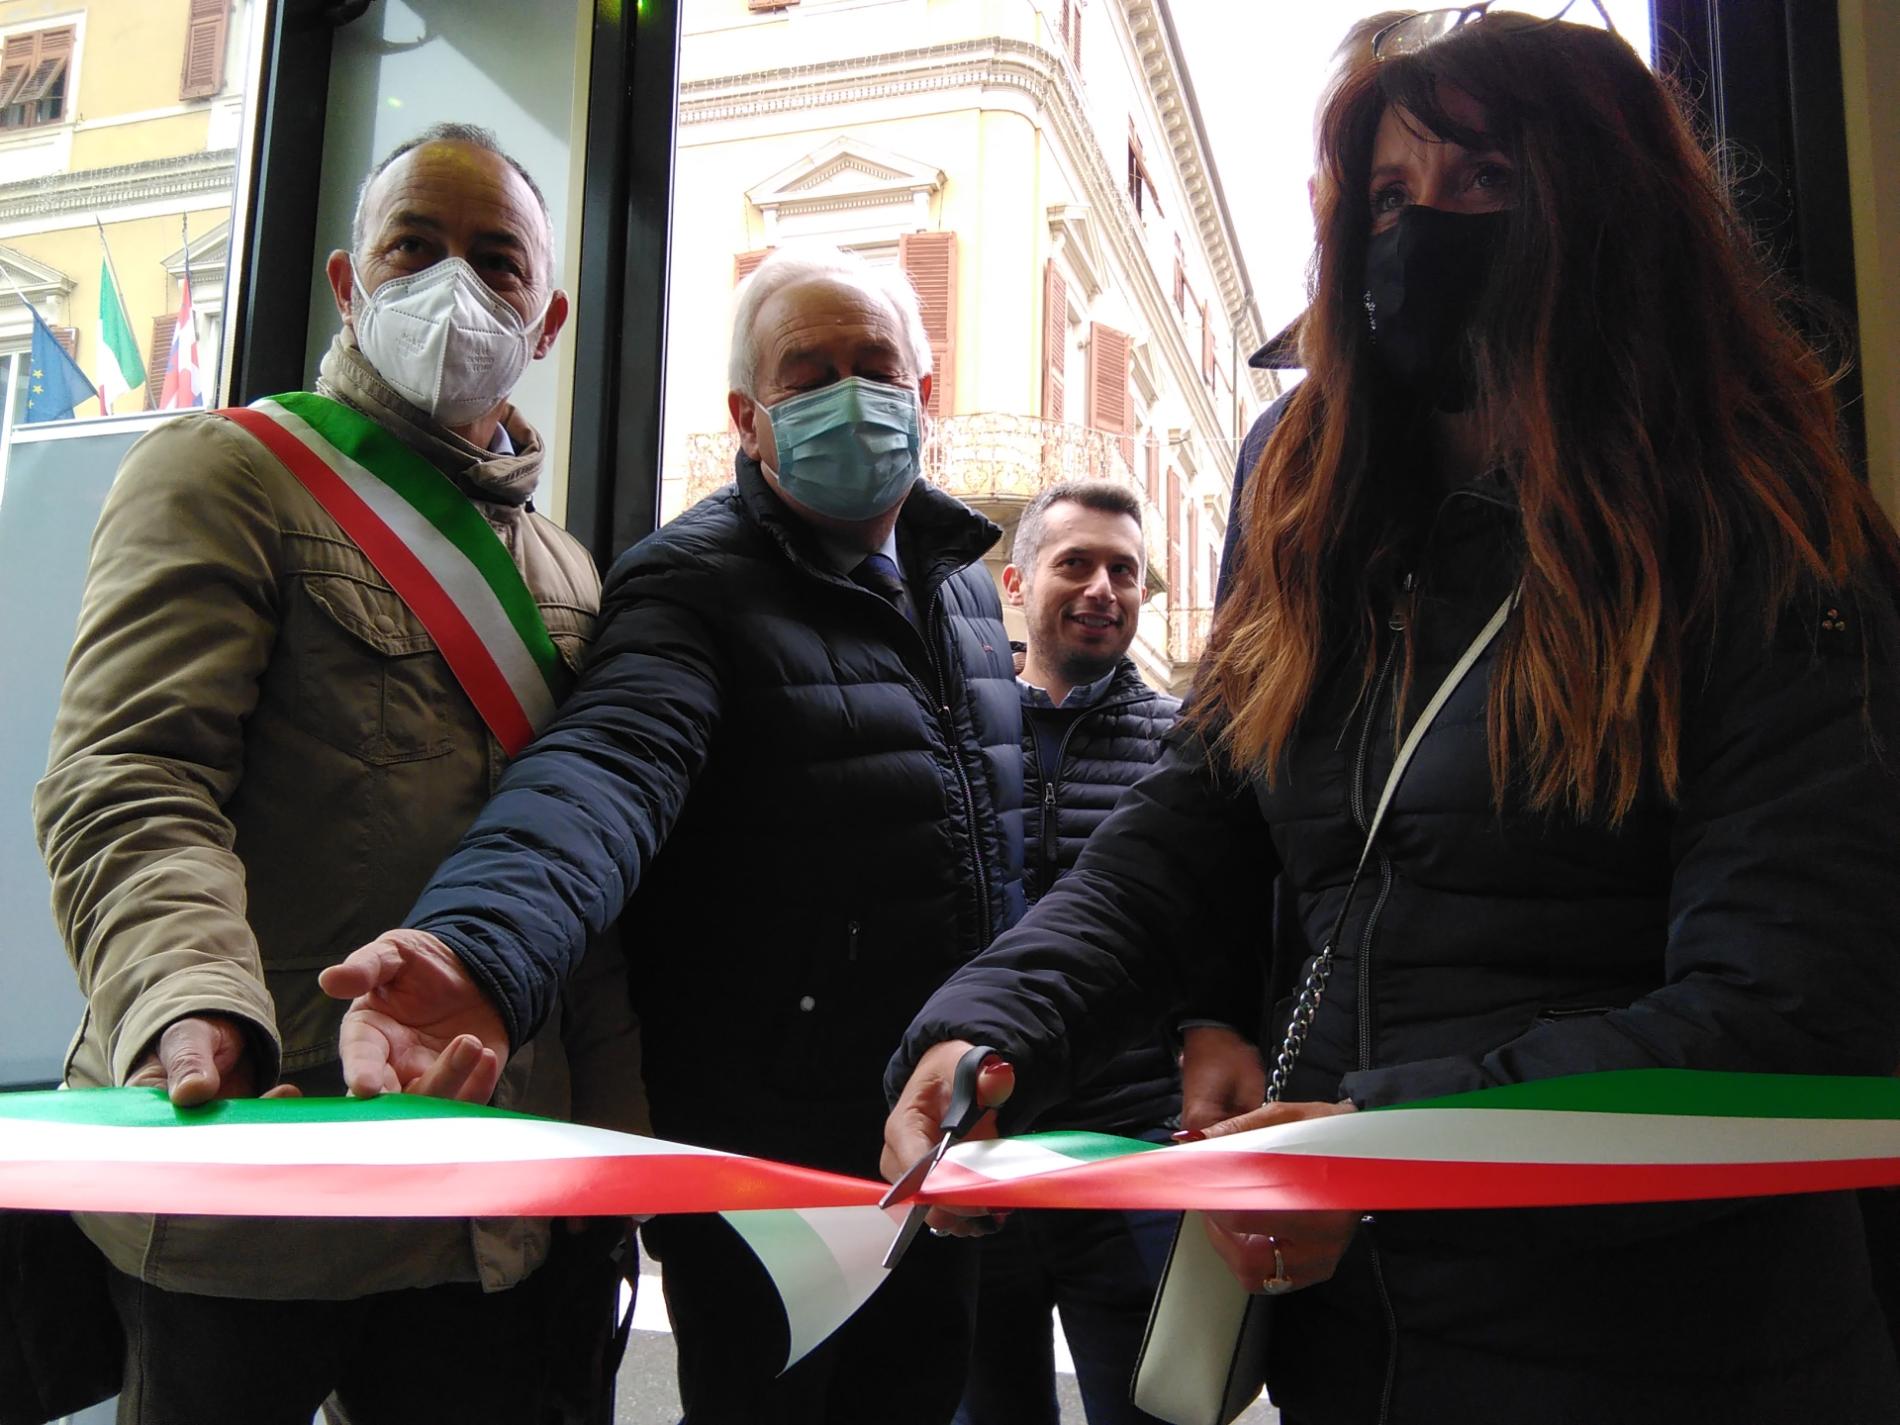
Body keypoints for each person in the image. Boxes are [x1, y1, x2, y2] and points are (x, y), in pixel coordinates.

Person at [885, 10, 1900, 1424]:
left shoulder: (1759, 544)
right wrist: (982, 1030)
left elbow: (1791, 1014)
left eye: (1482, 180)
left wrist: (1390, 1150)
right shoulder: (1334, 533)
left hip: (1679, 1355)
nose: (1420, 235)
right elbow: (1182, 834)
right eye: (1385, 200)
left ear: (1611, 218)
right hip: (1357, 1351)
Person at [320, 244, 1025, 1425]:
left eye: (876, 365)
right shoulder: (692, 582)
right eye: (809, 374)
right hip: (767, 1166)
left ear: (924, 389)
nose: (851, 393)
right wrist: (480, 946)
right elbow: (605, 769)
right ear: (748, 418)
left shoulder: (962, 586)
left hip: (943, 1124)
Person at [33, 123, 640, 1424]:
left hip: (493, 1207)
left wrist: (619, 1151)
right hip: (255, 1176)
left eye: (498, 262)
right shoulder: (226, 472)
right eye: (415, 247)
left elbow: (586, 898)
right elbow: (131, 778)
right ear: (346, 279)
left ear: (550, 320)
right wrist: (188, 1004)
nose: (454, 287)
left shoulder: (573, 576)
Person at [956, 479, 1182, 1425]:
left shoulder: (1186, 745)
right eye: (1076, 563)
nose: (1103, 588)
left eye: (1124, 571)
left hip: (1129, 1158)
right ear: (1018, 580)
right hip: (983, 1149)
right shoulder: (955, 735)